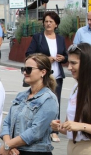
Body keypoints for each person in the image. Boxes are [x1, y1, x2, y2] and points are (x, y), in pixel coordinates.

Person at [26, 11, 68, 143]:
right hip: (42, 77)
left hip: (57, 76)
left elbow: (66, 55)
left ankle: (54, 131)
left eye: (51, 22)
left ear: (56, 24)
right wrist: (45, 59)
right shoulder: (38, 37)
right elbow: (29, 54)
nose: (48, 24)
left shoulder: (60, 39)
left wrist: (63, 58)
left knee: (55, 103)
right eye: (46, 21)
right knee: (39, 102)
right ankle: (38, 129)